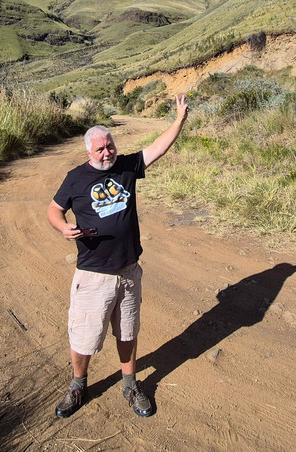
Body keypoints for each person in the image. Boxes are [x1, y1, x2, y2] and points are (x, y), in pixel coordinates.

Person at [47, 94, 189, 419]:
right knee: (84, 336)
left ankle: (130, 384)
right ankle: (77, 384)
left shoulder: (126, 166)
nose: (107, 152)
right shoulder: (75, 178)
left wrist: (179, 118)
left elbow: (158, 148)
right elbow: (54, 210)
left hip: (128, 270)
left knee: (128, 331)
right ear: (88, 151)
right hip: (93, 273)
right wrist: (62, 227)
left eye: (109, 146)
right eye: (100, 149)